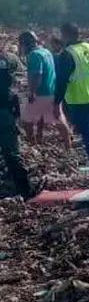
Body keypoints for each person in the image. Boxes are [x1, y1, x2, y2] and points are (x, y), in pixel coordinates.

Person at [54, 23, 89, 175]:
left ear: (65, 34)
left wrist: (56, 102)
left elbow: (61, 81)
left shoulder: (67, 54)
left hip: (80, 100)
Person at [17, 31, 71, 148]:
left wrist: (33, 92)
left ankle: (33, 144)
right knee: (58, 118)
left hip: (41, 93)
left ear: (26, 44)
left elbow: (37, 75)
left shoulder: (34, 55)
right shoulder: (46, 51)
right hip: (52, 90)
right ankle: (67, 145)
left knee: (26, 121)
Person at [0, 49, 32, 197]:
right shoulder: (11, 58)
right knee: (11, 153)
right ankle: (23, 189)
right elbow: (23, 84)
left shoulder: (7, 59)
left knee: (11, 154)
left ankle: (23, 189)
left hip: (4, 112)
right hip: (7, 111)